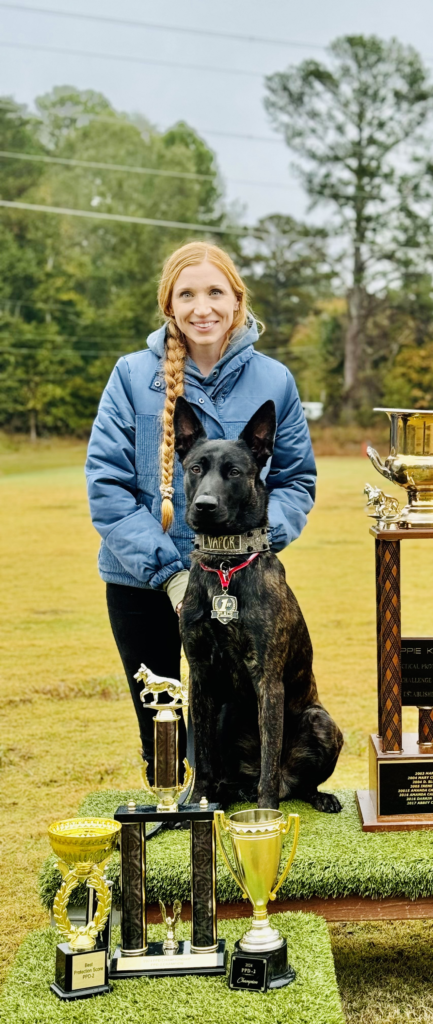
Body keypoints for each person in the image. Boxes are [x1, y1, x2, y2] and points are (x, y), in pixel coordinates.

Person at [86, 241, 315, 782]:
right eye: (186, 294)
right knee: (163, 739)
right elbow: (107, 487)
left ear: (237, 302)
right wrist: (170, 575)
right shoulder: (131, 375)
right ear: (170, 306)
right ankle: (171, 840)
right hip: (141, 585)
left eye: (215, 292)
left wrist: (257, 544)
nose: (202, 307)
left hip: (241, 582)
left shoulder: (274, 381)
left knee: (231, 738)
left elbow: (295, 480)